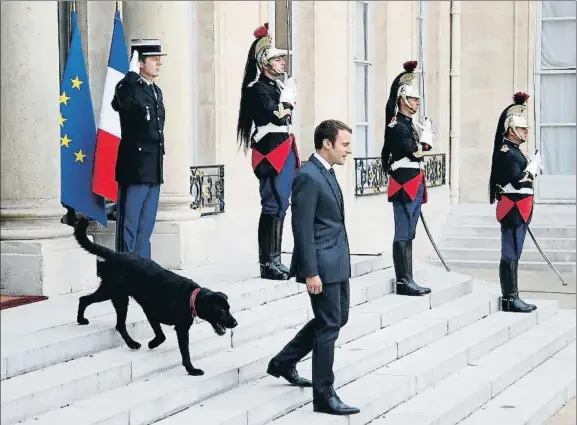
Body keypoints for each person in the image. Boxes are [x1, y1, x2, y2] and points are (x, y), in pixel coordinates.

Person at [267, 120, 360, 416]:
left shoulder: (326, 172)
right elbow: (302, 228)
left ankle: (283, 361)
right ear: (327, 144)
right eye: (344, 144)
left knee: (335, 319)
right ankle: (324, 395)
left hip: (337, 261)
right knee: (329, 325)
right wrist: (311, 272)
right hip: (321, 264)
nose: (348, 150)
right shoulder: (307, 176)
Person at [236, 23, 300, 281]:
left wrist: (286, 97)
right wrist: (288, 99)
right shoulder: (257, 88)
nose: (282, 62)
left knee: (281, 204)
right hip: (268, 152)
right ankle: (267, 262)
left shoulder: (274, 86)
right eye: (276, 59)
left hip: (282, 148)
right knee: (272, 203)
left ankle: (276, 258)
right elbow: (275, 113)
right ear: (265, 63)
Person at [380, 60, 434, 296]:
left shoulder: (409, 124)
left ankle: (408, 277)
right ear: (403, 100)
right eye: (414, 99)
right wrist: (427, 137)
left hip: (413, 181)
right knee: (403, 232)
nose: (417, 103)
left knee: (409, 233)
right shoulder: (397, 125)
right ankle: (403, 280)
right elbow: (414, 151)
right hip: (404, 183)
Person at [111, 38, 166, 259]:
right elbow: (119, 103)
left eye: (159, 59)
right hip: (134, 167)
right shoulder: (128, 87)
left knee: (146, 225)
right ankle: (126, 272)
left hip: (153, 166)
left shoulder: (155, 91)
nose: (158, 64)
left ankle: (143, 271)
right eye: (154, 59)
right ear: (139, 63)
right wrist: (131, 75)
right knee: (129, 224)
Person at [489, 92, 542, 313]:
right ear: (511, 129)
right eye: (522, 129)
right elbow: (518, 181)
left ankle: (514, 294)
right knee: (510, 251)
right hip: (512, 208)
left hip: (520, 208)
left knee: (515, 251)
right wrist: (532, 168)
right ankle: (510, 297)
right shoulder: (506, 151)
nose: (526, 132)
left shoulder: (516, 151)